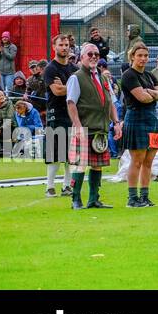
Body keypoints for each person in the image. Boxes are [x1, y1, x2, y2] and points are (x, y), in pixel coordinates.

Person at [65, 41, 123, 210]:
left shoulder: (103, 77)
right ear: (81, 57)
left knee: (97, 165)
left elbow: (112, 102)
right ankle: (76, 199)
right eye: (90, 54)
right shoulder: (76, 77)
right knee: (80, 164)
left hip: (101, 128)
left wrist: (117, 123)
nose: (93, 57)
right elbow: (71, 103)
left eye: (96, 54)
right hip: (84, 127)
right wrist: (77, 126)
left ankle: (93, 199)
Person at [116, 43, 158, 207]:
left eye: (145, 55)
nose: (143, 58)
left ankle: (144, 196)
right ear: (132, 57)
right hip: (136, 118)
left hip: (152, 119)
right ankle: (132, 198)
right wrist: (154, 94)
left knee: (149, 161)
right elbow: (142, 98)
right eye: (140, 55)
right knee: (137, 160)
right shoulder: (129, 75)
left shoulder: (150, 76)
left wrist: (151, 93)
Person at [42, 33, 76, 198]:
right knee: (54, 153)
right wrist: (74, 88)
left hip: (73, 114)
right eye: (61, 45)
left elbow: (69, 89)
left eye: (66, 45)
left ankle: (67, 186)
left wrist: (66, 87)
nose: (64, 48)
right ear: (54, 47)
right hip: (56, 114)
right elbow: (57, 91)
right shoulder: (50, 68)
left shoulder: (74, 69)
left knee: (71, 154)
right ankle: (49, 186)